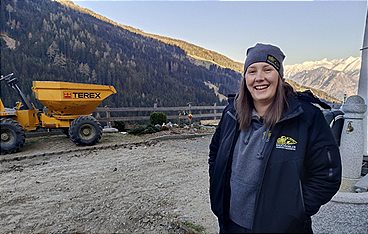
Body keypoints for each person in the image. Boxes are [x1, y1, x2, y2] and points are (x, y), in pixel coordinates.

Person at [208, 43, 342, 233]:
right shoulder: (232, 113)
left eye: (268, 69)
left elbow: (328, 174)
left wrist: (295, 210)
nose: (259, 78)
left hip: (282, 228)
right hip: (232, 225)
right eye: (252, 71)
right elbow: (215, 153)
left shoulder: (306, 117)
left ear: (280, 77)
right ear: (245, 78)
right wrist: (218, 188)